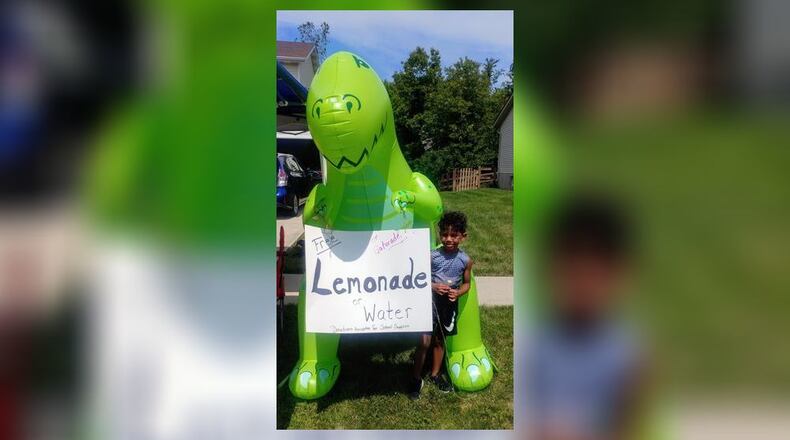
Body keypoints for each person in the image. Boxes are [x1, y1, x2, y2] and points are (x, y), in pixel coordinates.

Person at [529, 194, 653, 440]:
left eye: (596, 273)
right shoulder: (534, 342)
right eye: (572, 270)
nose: (584, 284)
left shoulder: (630, 354)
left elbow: (624, 427)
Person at [408, 211, 473, 400]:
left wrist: (458, 292)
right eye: (445, 234)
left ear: (463, 237)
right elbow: (418, 278)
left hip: (448, 305)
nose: (448, 239)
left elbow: (467, 284)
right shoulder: (432, 256)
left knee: (439, 340)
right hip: (429, 302)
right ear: (440, 235)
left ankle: (435, 374)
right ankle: (415, 378)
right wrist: (434, 286)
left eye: (454, 235)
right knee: (424, 341)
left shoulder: (466, 260)